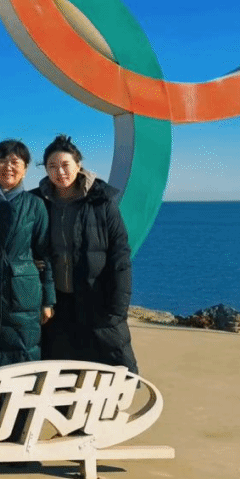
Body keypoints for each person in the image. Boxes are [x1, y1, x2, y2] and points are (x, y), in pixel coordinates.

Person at [33, 134, 138, 372]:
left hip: (96, 300)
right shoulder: (38, 202)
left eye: (65, 164)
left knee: (113, 369)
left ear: (78, 165)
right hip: (57, 303)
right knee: (61, 371)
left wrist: (119, 306)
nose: (60, 172)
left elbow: (120, 257)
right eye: (52, 166)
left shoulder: (101, 201)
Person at [0, 140, 54, 376]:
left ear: (25, 168)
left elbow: (45, 254)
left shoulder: (35, 205)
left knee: (21, 356)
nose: (8, 167)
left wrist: (48, 300)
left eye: (15, 162)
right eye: (2, 160)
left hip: (23, 293)